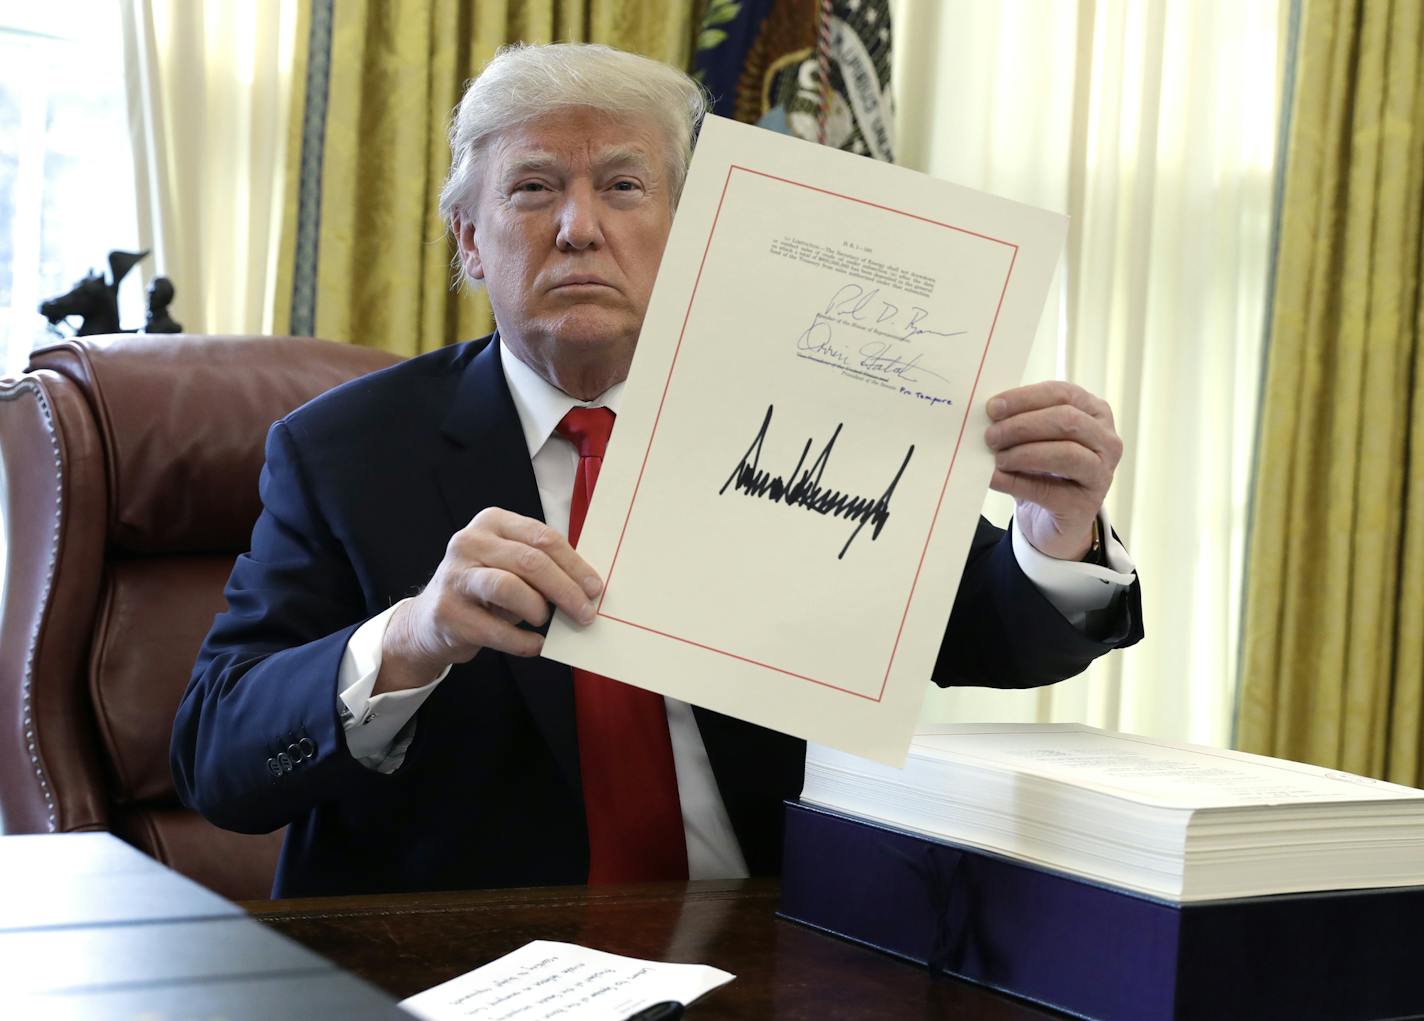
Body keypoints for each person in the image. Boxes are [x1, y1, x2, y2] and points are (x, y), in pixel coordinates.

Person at [172, 43, 1142, 899]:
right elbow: (218, 757)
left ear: (690, 238)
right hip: (471, 960)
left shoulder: (799, 416)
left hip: (767, 942)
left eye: (624, 188)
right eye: (532, 188)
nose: (579, 228)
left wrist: (1056, 534)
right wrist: (412, 635)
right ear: (469, 240)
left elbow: (984, 631)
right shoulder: (342, 450)